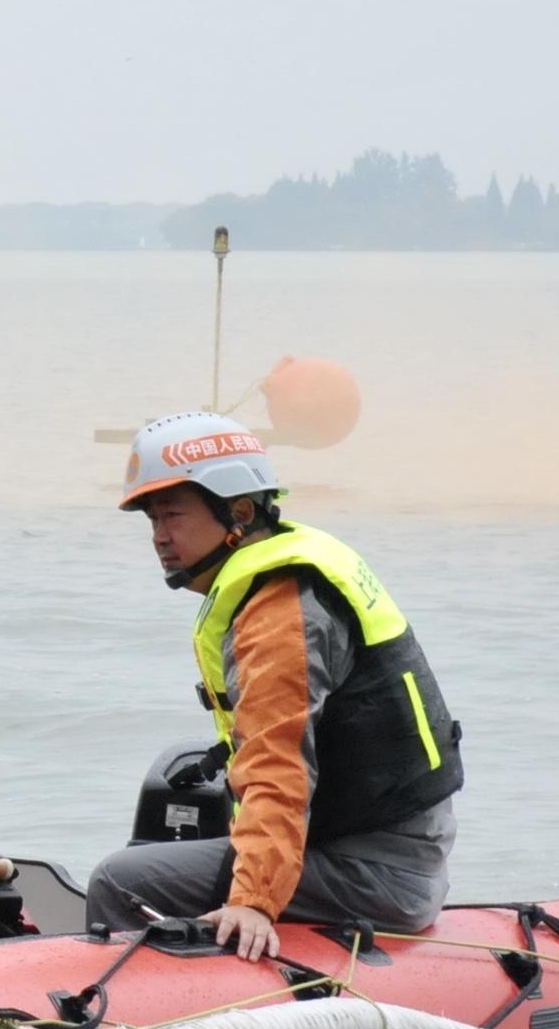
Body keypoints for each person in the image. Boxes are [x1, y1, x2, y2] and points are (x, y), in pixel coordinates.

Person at [88, 411, 465, 961]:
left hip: (377, 871)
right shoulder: (292, 574)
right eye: (151, 521)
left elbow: (277, 764)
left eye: (172, 516)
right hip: (388, 849)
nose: (160, 538)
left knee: (122, 881)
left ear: (239, 513)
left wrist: (254, 900)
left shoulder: (278, 616)